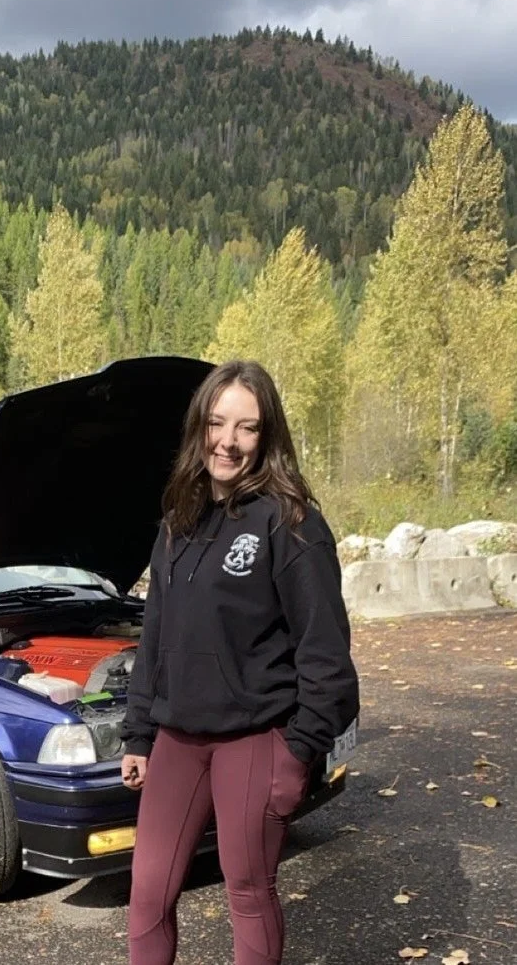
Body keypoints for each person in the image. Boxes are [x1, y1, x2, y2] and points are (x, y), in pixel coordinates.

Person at [120, 359, 359, 965]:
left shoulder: (291, 524)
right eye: (217, 422)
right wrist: (139, 734)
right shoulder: (178, 520)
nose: (227, 441)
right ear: (199, 426)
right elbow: (156, 636)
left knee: (249, 893)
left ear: (266, 435)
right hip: (177, 740)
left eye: (246, 427)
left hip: (254, 741)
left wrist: (299, 751)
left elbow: (326, 654)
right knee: (147, 895)